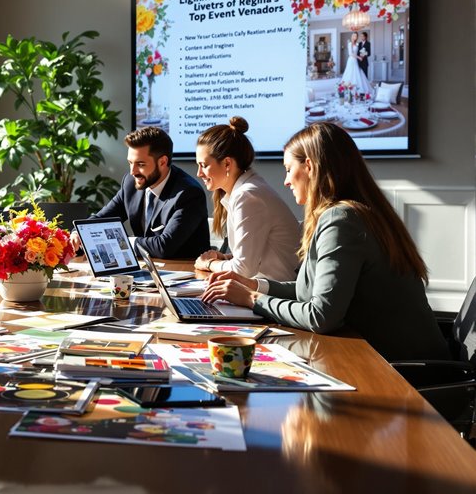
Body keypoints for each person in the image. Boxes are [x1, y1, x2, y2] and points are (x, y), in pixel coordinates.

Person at [202, 123, 449, 361]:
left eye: (289, 169)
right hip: (381, 356)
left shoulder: (342, 219)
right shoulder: (353, 212)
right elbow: (307, 291)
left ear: (309, 166)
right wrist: (252, 285)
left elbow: (321, 315)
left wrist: (251, 299)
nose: (286, 180)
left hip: (404, 370)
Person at [76, 126, 209, 259]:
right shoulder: (130, 183)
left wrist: (124, 243)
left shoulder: (188, 193)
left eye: (140, 164)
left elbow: (164, 246)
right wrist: (78, 233)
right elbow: (101, 219)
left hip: (186, 273)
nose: (133, 171)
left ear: (163, 162)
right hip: (147, 270)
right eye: (130, 163)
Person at [193, 117, 299, 281]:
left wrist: (209, 264)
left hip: (274, 295)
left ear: (227, 163)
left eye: (204, 165)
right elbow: (254, 258)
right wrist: (226, 258)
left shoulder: (247, 196)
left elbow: (242, 269)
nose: (199, 173)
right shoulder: (247, 190)